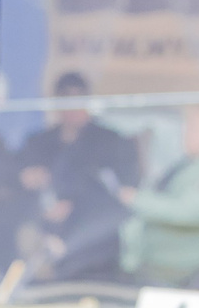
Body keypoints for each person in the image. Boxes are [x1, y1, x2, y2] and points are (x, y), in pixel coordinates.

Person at [16, 71, 140, 282]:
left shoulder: (111, 142)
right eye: (66, 100)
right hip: (42, 228)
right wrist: (26, 179)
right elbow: (11, 185)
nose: (72, 108)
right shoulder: (38, 143)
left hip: (92, 238)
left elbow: (121, 193)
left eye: (78, 99)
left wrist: (72, 203)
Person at [117, 104, 199, 287]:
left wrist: (137, 199)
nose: (186, 133)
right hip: (148, 260)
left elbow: (190, 211)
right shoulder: (188, 164)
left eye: (194, 127)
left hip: (180, 267)